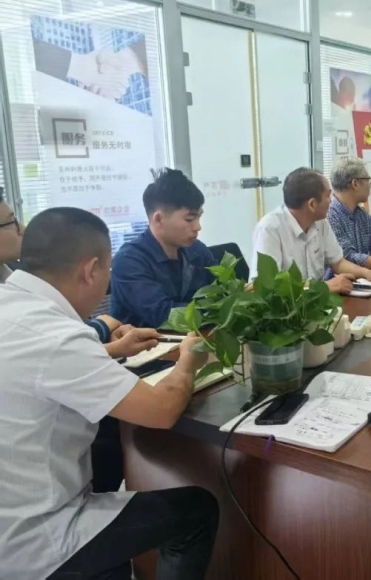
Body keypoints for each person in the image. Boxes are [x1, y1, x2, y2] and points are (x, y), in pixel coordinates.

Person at [0, 207, 218, 580]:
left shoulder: (13, 306)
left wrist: (111, 350)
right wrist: (188, 360)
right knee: (197, 510)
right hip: (34, 540)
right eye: (107, 271)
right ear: (91, 270)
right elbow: (163, 410)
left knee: (106, 441)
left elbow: (40, 368)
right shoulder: (59, 337)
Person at [250, 167, 371, 294]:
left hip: (315, 305)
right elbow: (263, 287)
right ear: (312, 204)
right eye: (328, 196)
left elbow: (338, 263)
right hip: (286, 311)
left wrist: (365, 273)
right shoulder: (270, 228)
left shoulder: (321, 223)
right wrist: (324, 287)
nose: (331, 200)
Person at [111, 169, 217, 328]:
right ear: (159, 219)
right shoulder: (129, 260)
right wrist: (219, 310)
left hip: (195, 338)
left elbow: (222, 290)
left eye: (199, 217)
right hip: (149, 342)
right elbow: (163, 314)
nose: (197, 227)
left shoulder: (197, 250)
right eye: (189, 219)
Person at [327, 157, 371, 275]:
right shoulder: (330, 216)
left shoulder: (363, 215)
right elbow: (349, 258)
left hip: (364, 280)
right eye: (368, 180)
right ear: (355, 183)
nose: (370, 186)